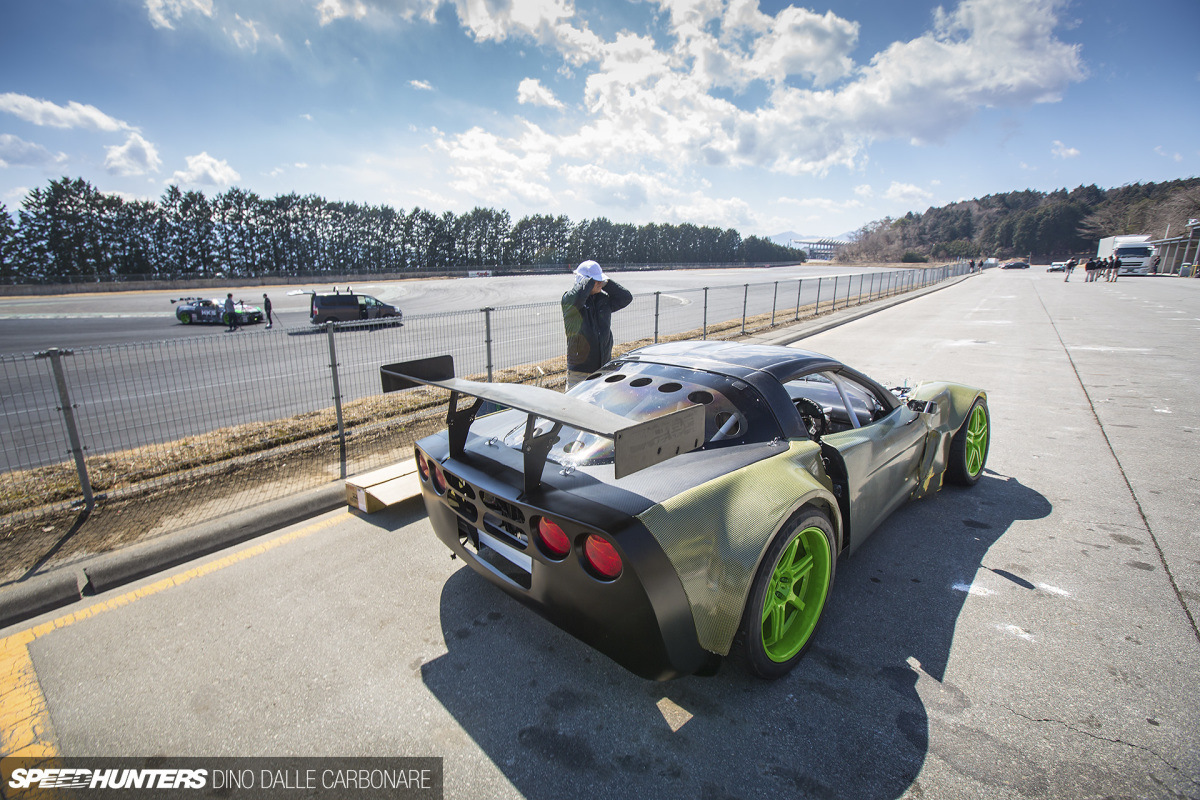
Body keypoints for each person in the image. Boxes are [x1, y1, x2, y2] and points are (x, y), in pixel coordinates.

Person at [561, 260, 632, 390]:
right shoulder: (570, 301)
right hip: (579, 373)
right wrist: (589, 282)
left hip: (603, 369)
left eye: (601, 280)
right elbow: (577, 297)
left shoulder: (603, 300)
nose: (600, 283)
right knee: (575, 408)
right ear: (584, 281)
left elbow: (626, 297)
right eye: (595, 281)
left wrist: (606, 283)